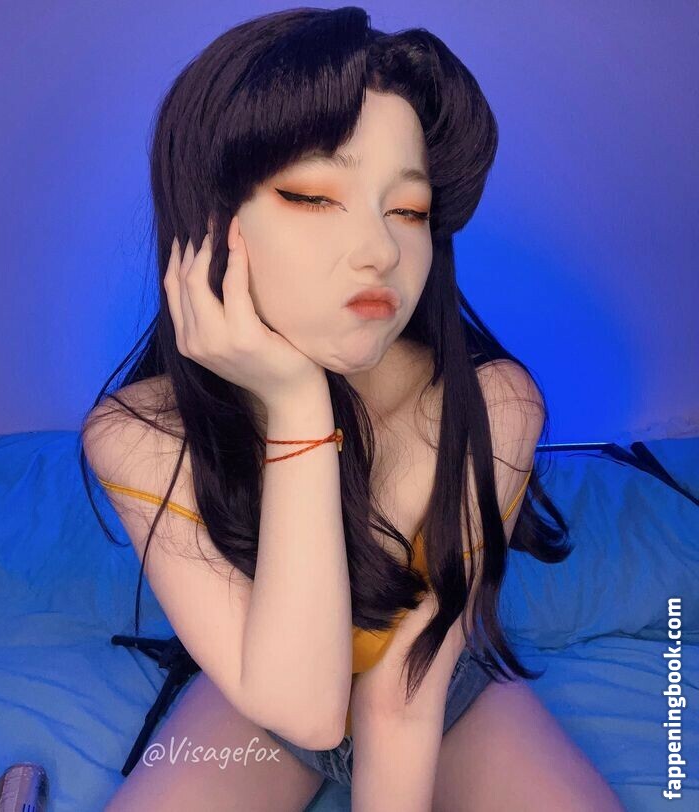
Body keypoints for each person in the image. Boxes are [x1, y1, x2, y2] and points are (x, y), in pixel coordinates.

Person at [80, 7, 625, 810]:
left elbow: (401, 701)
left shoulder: (490, 404)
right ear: (206, 225)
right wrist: (296, 401)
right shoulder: (139, 432)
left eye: (408, 210)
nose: (380, 250)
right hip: (261, 694)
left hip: (439, 692)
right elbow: (302, 706)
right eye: (312, 196)